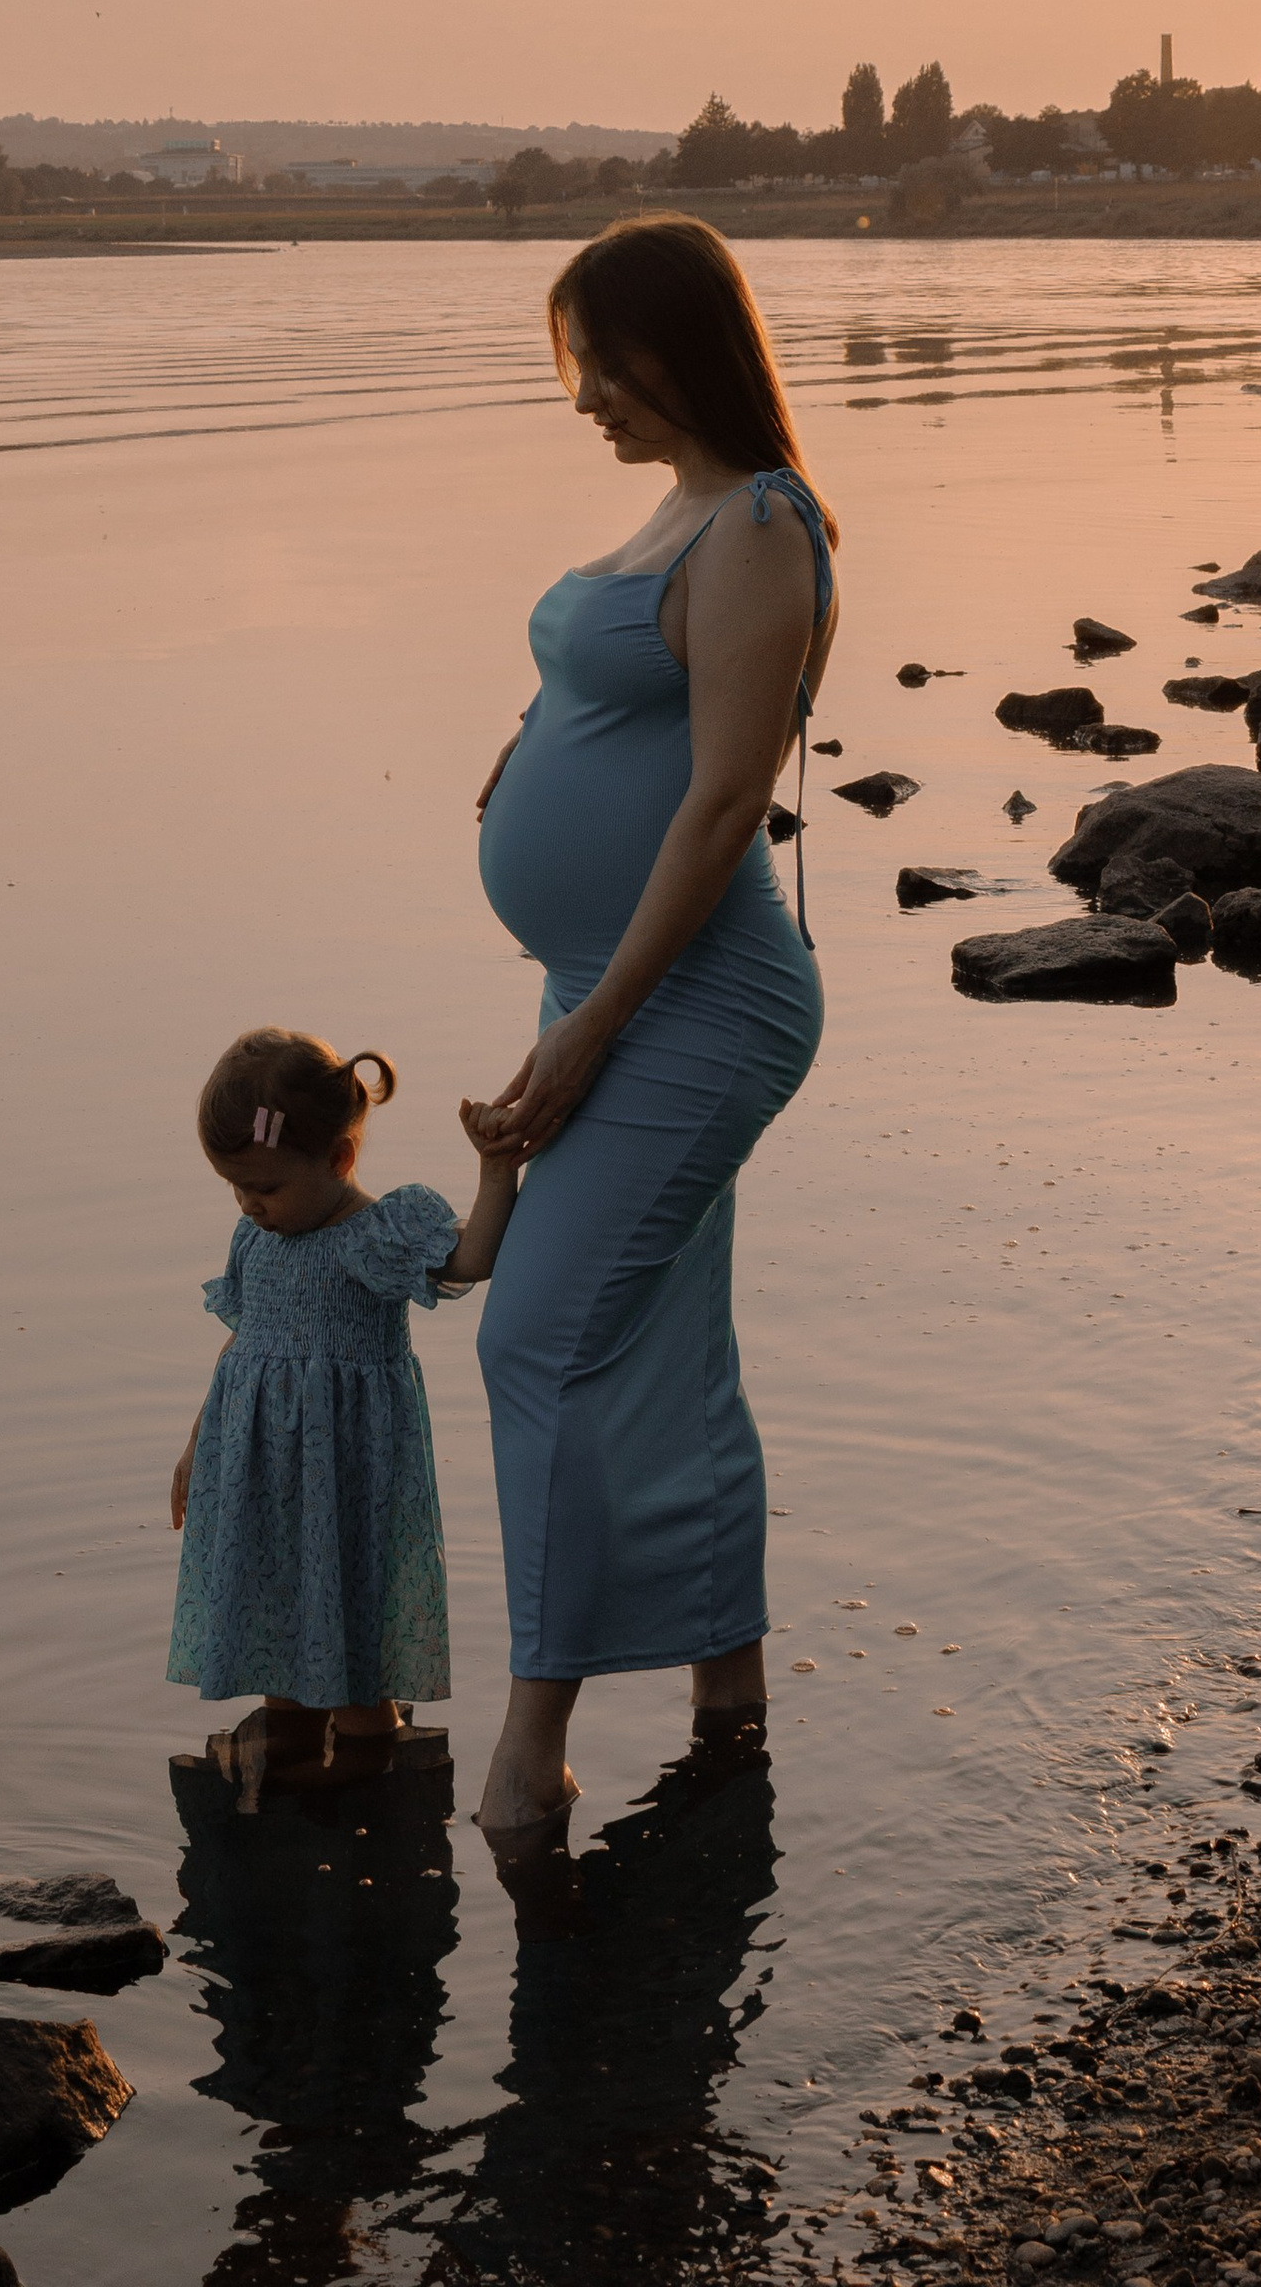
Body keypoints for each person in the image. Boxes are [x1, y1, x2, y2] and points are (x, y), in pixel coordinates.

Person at [468, 216, 838, 1841]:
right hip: (607, 990)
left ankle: (530, 1749)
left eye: (600, 363)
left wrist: (600, 1023)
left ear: (677, 348)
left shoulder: (760, 523)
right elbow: (621, 710)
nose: (584, 398)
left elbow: (726, 803)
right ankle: (729, 1691)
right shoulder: (681, 512)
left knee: (534, 1338)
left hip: (691, 1001)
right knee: (671, 1356)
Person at [170, 1028, 520, 1806]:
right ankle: (291, 1766)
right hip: (264, 1477)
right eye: (236, 1189)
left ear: (338, 1160)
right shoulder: (256, 1238)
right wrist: (199, 1444)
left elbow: (471, 1262)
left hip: (349, 1480)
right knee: (279, 1630)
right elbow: (243, 1340)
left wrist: (496, 1169)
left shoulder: (374, 1238)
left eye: (264, 1187)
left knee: (353, 1635)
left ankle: (368, 1775)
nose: (250, 1206)